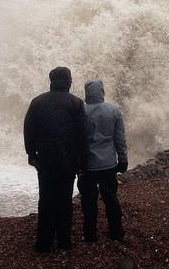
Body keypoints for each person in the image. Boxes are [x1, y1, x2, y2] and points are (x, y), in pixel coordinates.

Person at [23, 66, 89, 253]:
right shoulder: (76, 103)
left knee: (45, 199)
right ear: (68, 82)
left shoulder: (37, 102)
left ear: (51, 82)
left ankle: (43, 243)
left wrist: (31, 154)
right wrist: (83, 161)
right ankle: (63, 242)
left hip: (45, 159)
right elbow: (83, 135)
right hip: (68, 160)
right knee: (64, 199)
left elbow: (28, 129)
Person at [79, 79, 128, 243]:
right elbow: (119, 139)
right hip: (108, 164)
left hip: (87, 165)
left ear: (87, 93)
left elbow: (75, 139)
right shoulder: (113, 111)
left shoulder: (80, 112)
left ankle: (90, 235)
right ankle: (117, 232)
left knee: (88, 201)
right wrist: (123, 159)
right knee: (111, 199)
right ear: (102, 92)